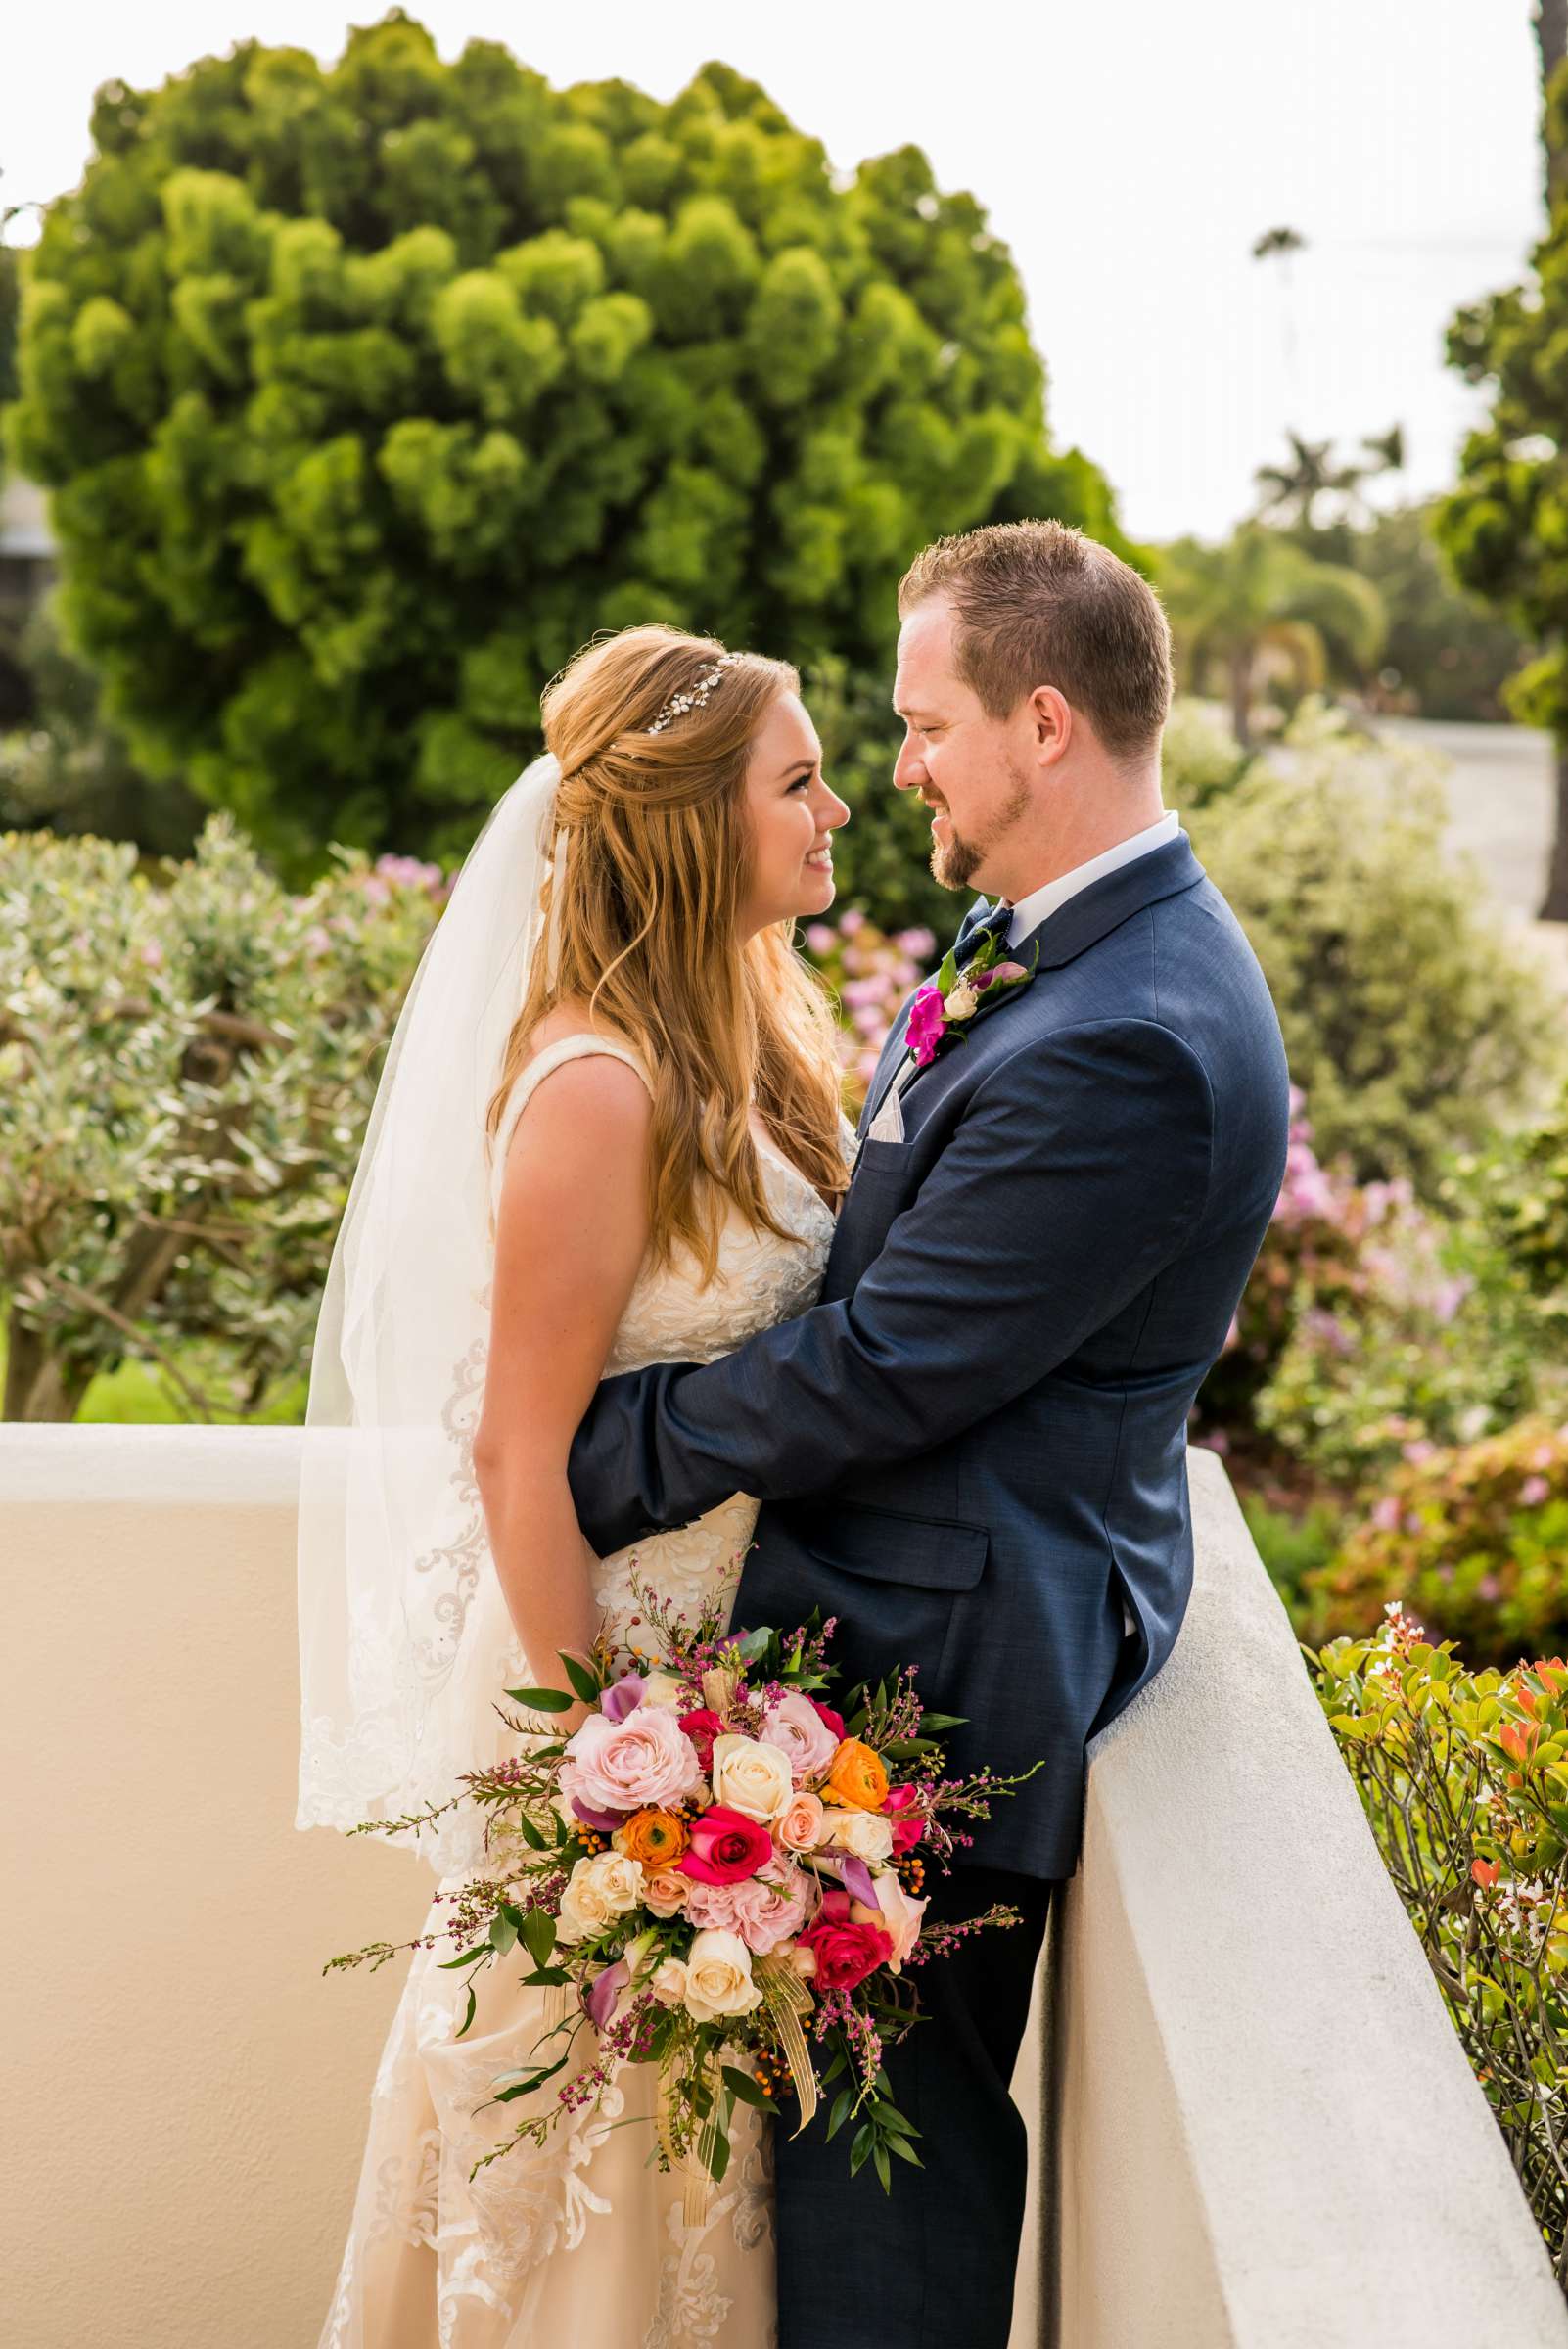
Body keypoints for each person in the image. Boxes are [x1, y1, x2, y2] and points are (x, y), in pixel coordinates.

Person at [565, 521, 1293, 2349]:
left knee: (889, 2183)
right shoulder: (1044, 942)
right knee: (824, 2166)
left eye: (920, 724)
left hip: (950, 1656)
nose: (896, 770)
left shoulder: (1131, 1030)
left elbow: (890, 1362)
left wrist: (613, 1446)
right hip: (906, 1605)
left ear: (1042, 724)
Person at [299, 622, 856, 2346]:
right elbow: (511, 1454)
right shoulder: (599, 1088)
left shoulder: (753, 1034)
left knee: (687, 2160)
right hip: (600, 1692)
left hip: (722, 1696)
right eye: (797, 779)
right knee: (574, 2123)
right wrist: (606, 1785)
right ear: (695, 826)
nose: (836, 807)